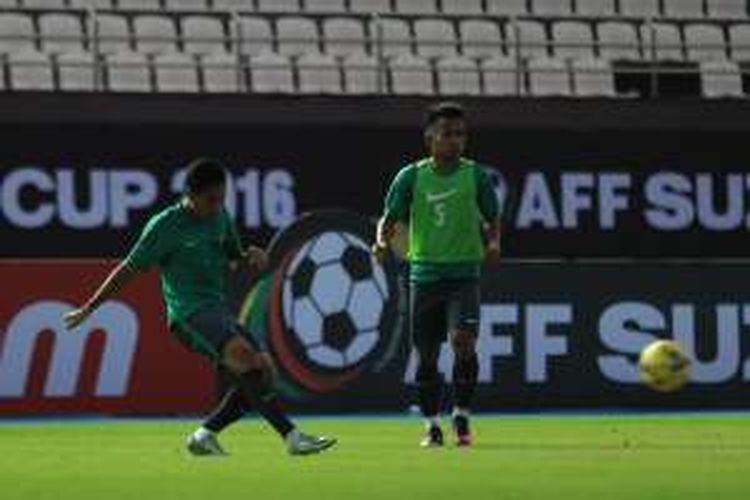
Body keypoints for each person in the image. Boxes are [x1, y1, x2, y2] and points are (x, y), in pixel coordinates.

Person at [64, 158, 336, 457]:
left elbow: (234, 255)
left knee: (264, 373)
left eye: (222, 197)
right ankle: (292, 438)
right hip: (188, 315)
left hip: (217, 309)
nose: (218, 205)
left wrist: (250, 256)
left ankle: (204, 435)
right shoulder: (165, 226)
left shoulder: (220, 216)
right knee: (247, 361)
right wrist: (89, 308)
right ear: (190, 195)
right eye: (211, 199)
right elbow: (128, 269)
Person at [373, 103, 501, 447]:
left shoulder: (475, 176)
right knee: (427, 355)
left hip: (463, 276)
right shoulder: (411, 176)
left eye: (461, 134)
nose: (455, 140)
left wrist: (494, 242)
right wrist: (381, 241)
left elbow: (492, 217)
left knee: (463, 343)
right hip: (425, 277)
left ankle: (462, 414)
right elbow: (390, 218)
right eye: (447, 133)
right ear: (429, 137)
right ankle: (431, 424)